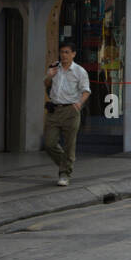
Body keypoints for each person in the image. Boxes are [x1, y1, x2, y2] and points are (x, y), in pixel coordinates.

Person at [44, 39, 91, 187]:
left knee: (70, 144)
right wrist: (49, 76)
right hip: (54, 109)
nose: (63, 55)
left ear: (73, 54)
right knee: (49, 143)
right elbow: (46, 85)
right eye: (62, 52)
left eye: (67, 52)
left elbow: (86, 91)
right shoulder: (54, 68)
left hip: (71, 110)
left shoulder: (80, 71)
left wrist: (79, 104)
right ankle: (66, 164)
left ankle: (64, 174)